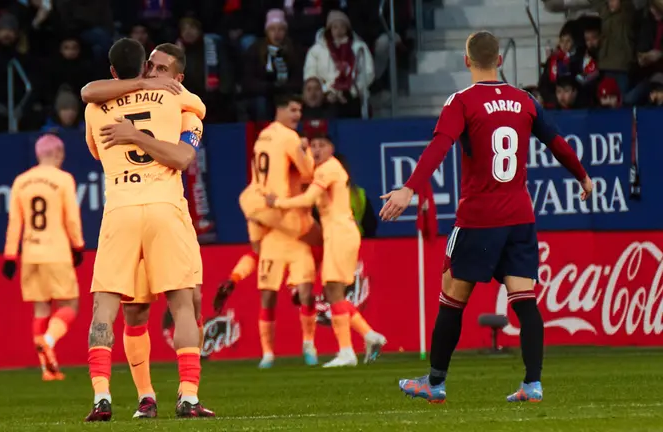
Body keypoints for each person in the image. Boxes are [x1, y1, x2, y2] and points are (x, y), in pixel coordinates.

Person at [380, 31, 593, 403]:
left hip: (478, 218)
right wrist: (583, 176)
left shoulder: (462, 102)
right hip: (520, 218)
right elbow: (556, 141)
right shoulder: (524, 99)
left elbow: (439, 146)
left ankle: (435, 382)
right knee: (525, 300)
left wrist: (409, 188)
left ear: (467, 61)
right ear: (500, 60)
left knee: (452, 297)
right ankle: (532, 384)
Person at [83, 38, 213, 421]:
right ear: (142, 68)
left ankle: (104, 395)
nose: (155, 74)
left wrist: (135, 135)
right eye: (150, 67)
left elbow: (89, 96)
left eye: (162, 70)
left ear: (177, 76)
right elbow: (191, 128)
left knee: (112, 307)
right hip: (162, 208)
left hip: (124, 208)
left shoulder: (97, 106)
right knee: (140, 310)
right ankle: (153, 398)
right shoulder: (181, 103)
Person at [212, 96, 324, 368]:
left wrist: (234, 277)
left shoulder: (263, 136)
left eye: (300, 110)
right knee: (319, 240)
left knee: (305, 290)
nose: (297, 114)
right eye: (293, 109)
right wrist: (306, 149)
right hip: (281, 213)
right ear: (280, 109)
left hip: (259, 206)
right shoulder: (290, 138)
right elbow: (309, 172)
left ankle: (307, 344)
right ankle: (269, 353)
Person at [266, 134, 386, 367]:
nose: (317, 149)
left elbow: (308, 199)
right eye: (314, 146)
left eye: (322, 145)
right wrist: (299, 150)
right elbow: (301, 172)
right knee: (334, 293)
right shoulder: (323, 169)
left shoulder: (329, 169)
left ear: (332, 149)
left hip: (341, 234)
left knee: (333, 291)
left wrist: (277, 203)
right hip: (337, 235)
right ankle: (370, 335)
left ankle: (346, 352)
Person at [2, 134, 85, 382]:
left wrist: (9, 255)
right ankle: (49, 341)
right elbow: (71, 217)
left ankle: (47, 370)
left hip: (30, 253)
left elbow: (15, 222)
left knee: (41, 308)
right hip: (56, 251)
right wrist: (78, 245)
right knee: (70, 305)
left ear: (38, 154)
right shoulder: (63, 180)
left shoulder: (21, 181)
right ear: (59, 155)